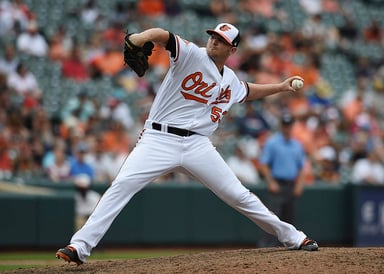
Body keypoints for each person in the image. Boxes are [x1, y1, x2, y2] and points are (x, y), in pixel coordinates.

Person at [56, 22, 318, 266]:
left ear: (232, 49)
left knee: (238, 195)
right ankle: (79, 246)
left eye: (221, 40)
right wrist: (141, 38)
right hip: (158, 139)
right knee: (122, 185)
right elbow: (163, 35)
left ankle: (294, 237)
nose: (214, 41)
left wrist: (281, 87)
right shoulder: (192, 54)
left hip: (197, 145)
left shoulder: (229, 80)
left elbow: (248, 91)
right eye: (213, 36)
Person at [257, 112, 307, 247]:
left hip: (291, 185)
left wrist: (300, 185)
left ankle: (288, 249)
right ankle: (265, 248)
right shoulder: (273, 143)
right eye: (285, 125)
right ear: (281, 126)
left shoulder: (297, 145)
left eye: (289, 125)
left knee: (289, 219)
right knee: (273, 219)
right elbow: (264, 164)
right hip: (277, 185)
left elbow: (302, 167)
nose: (287, 128)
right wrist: (271, 182)